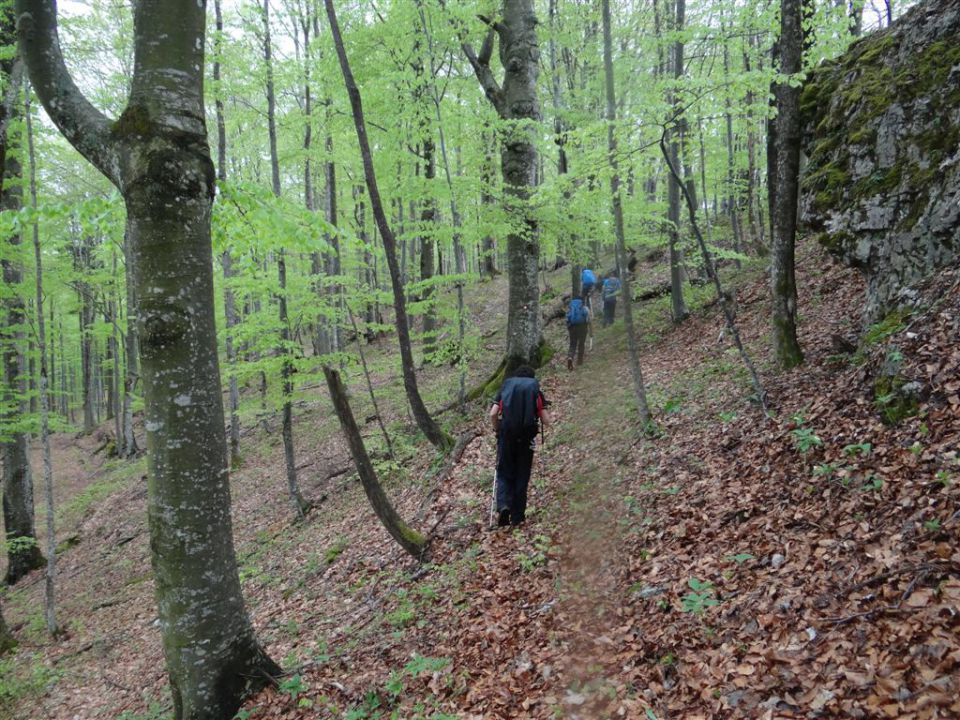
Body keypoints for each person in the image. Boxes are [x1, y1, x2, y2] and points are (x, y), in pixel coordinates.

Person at [488, 367, 551, 527]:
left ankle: (503, 506)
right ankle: (517, 517)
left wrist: (498, 430)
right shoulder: (535, 390)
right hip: (526, 439)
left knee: (504, 473)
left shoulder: (506, 388)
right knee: (522, 475)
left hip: (507, 437)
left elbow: (493, 414)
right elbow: (545, 420)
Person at [565, 296, 590, 370]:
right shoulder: (583, 307)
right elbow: (587, 317)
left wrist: (569, 327)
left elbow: (567, 318)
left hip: (572, 327)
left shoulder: (571, 307)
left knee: (572, 344)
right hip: (582, 327)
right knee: (581, 343)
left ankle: (570, 357)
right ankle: (580, 361)